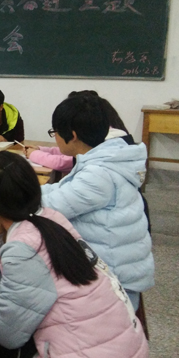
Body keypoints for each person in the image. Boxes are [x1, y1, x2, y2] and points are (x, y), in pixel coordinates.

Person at [0, 151, 149, 358]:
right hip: (122, 347)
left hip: (88, 357)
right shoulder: (52, 218)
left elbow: (8, 337)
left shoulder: (23, 248)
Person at [41, 94, 154, 310]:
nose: (55, 137)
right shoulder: (104, 157)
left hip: (114, 284)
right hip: (112, 269)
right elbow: (61, 189)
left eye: (55, 132)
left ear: (73, 135)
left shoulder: (99, 173)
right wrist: (21, 190)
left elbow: (52, 205)